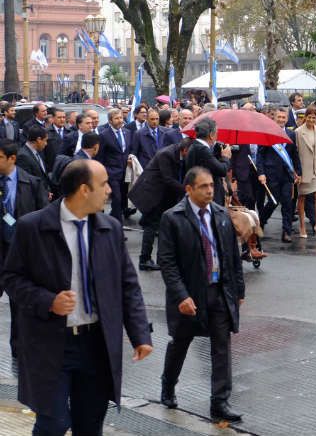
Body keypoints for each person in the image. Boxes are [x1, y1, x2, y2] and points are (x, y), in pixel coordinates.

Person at [0, 159, 152, 435]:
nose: (109, 190)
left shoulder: (110, 228)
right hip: (50, 344)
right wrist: (48, 301)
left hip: (96, 343)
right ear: (84, 189)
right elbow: (11, 278)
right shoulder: (32, 227)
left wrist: (140, 333)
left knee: (90, 424)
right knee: (53, 422)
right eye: (104, 184)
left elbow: (127, 284)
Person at [158, 167, 245, 422]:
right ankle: (168, 385)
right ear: (189, 189)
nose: (210, 190)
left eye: (211, 186)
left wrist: (238, 290)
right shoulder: (172, 218)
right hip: (190, 295)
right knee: (181, 343)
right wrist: (181, 296)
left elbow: (232, 256)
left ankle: (220, 402)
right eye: (204, 186)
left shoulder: (220, 214)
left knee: (221, 346)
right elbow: (167, 262)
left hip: (218, 290)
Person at [0, 139, 49, 358]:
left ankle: (19, 350)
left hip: (21, 253)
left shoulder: (32, 183)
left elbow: (44, 219)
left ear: (12, 159)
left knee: (20, 304)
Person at [130, 139, 192, 271]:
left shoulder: (179, 153)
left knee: (163, 227)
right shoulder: (166, 154)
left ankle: (161, 259)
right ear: (185, 150)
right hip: (152, 194)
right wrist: (187, 190)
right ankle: (144, 259)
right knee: (151, 226)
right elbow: (168, 178)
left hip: (165, 195)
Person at [257, 108, 301, 242]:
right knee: (273, 202)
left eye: (283, 117)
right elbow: (260, 154)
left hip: (287, 175)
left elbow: (294, 154)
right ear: (274, 118)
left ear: (287, 119)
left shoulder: (291, 134)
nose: (281, 120)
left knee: (288, 203)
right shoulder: (267, 133)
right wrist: (261, 173)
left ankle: (286, 232)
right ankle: (261, 223)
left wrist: (298, 172)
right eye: (279, 117)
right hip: (272, 174)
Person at [185, 117, 232, 205]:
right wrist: (225, 157)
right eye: (216, 133)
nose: (217, 136)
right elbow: (222, 170)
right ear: (211, 135)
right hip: (207, 197)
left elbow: (211, 165)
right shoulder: (202, 150)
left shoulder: (195, 146)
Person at [295, 106, 316, 238]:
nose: (311, 119)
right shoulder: (298, 132)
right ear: (305, 117)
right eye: (309, 117)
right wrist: (296, 172)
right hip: (304, 170)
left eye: (314, 117)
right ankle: (302, 226)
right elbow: (294, 153)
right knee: (302, 198)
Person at [98, 108, 133, 223]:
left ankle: (112, 221)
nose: (120, 120)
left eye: (121, 118)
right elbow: (100, 156)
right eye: (116, 118)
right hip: (111, 173)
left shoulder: (127, 133)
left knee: (123, 200)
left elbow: (128, 150)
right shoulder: (104, 135)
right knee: (116, 199)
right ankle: (118, 229)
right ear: (110, 121)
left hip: (125, 172)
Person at [16, 125, 51, 195]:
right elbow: (27, 183)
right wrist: (44, 193)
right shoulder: (23, 156)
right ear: (38, 140)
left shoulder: (38, 152)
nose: (46, 144)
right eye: (45, 141)